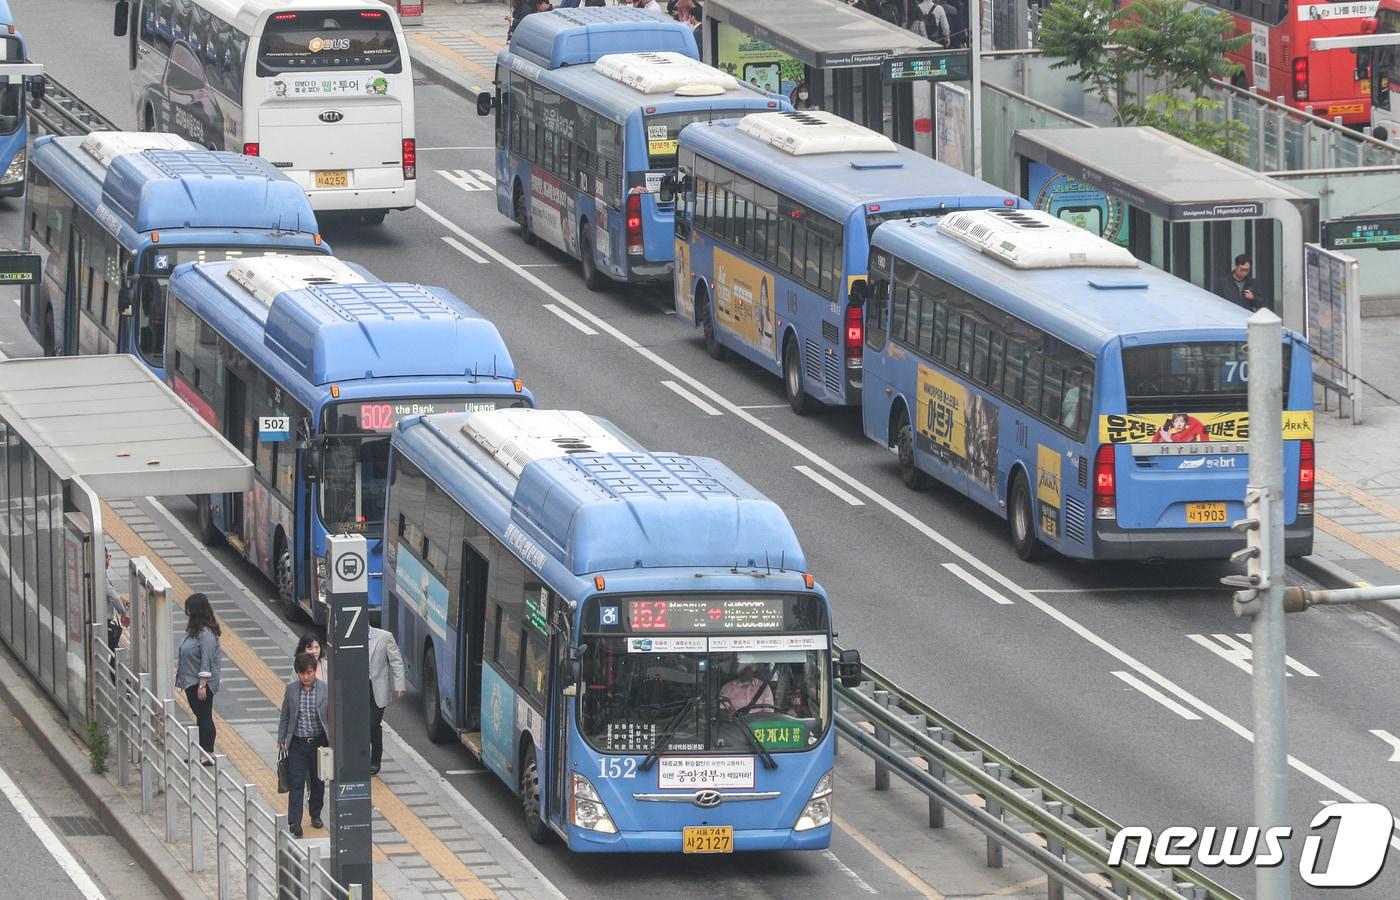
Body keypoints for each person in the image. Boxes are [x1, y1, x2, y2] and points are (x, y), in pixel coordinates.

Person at [277, 652, 329, 838]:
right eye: (302, 673)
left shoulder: (325, 689)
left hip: (319, 743)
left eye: (309, 672)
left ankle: (315, 814)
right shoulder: (291, 689)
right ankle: (295, 822)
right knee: (296, 782)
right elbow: (285, 714)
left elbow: (332, 717)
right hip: (297, 743)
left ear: (315, 671)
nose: (305, 677)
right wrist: (282, 739)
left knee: (317, 782)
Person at [175, 593, 222, 760]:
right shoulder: (195, 631)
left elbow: (206, 660)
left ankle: (207, 752)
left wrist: (202, 685)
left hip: (200, 683)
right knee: (201, 716)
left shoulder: (206, 634)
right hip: (190, 681)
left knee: (204, 716)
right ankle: (202, 750)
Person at [367, 626, 407, 775]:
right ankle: (363, 758)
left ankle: (375, 760)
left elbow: (396, 662)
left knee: (372, 724)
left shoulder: (384, 636)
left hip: (378, 688)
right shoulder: (350, 637)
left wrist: (399, 686)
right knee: (361, 725)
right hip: (358, 688)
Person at [105, 549, 130, 653]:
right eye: (107, 556)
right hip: (105, 624)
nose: (109, 559)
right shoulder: (101, 577)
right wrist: (123, 613)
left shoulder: (99, 575)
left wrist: (121, 599)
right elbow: (113, 597)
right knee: (113, 651)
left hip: (104, 623)